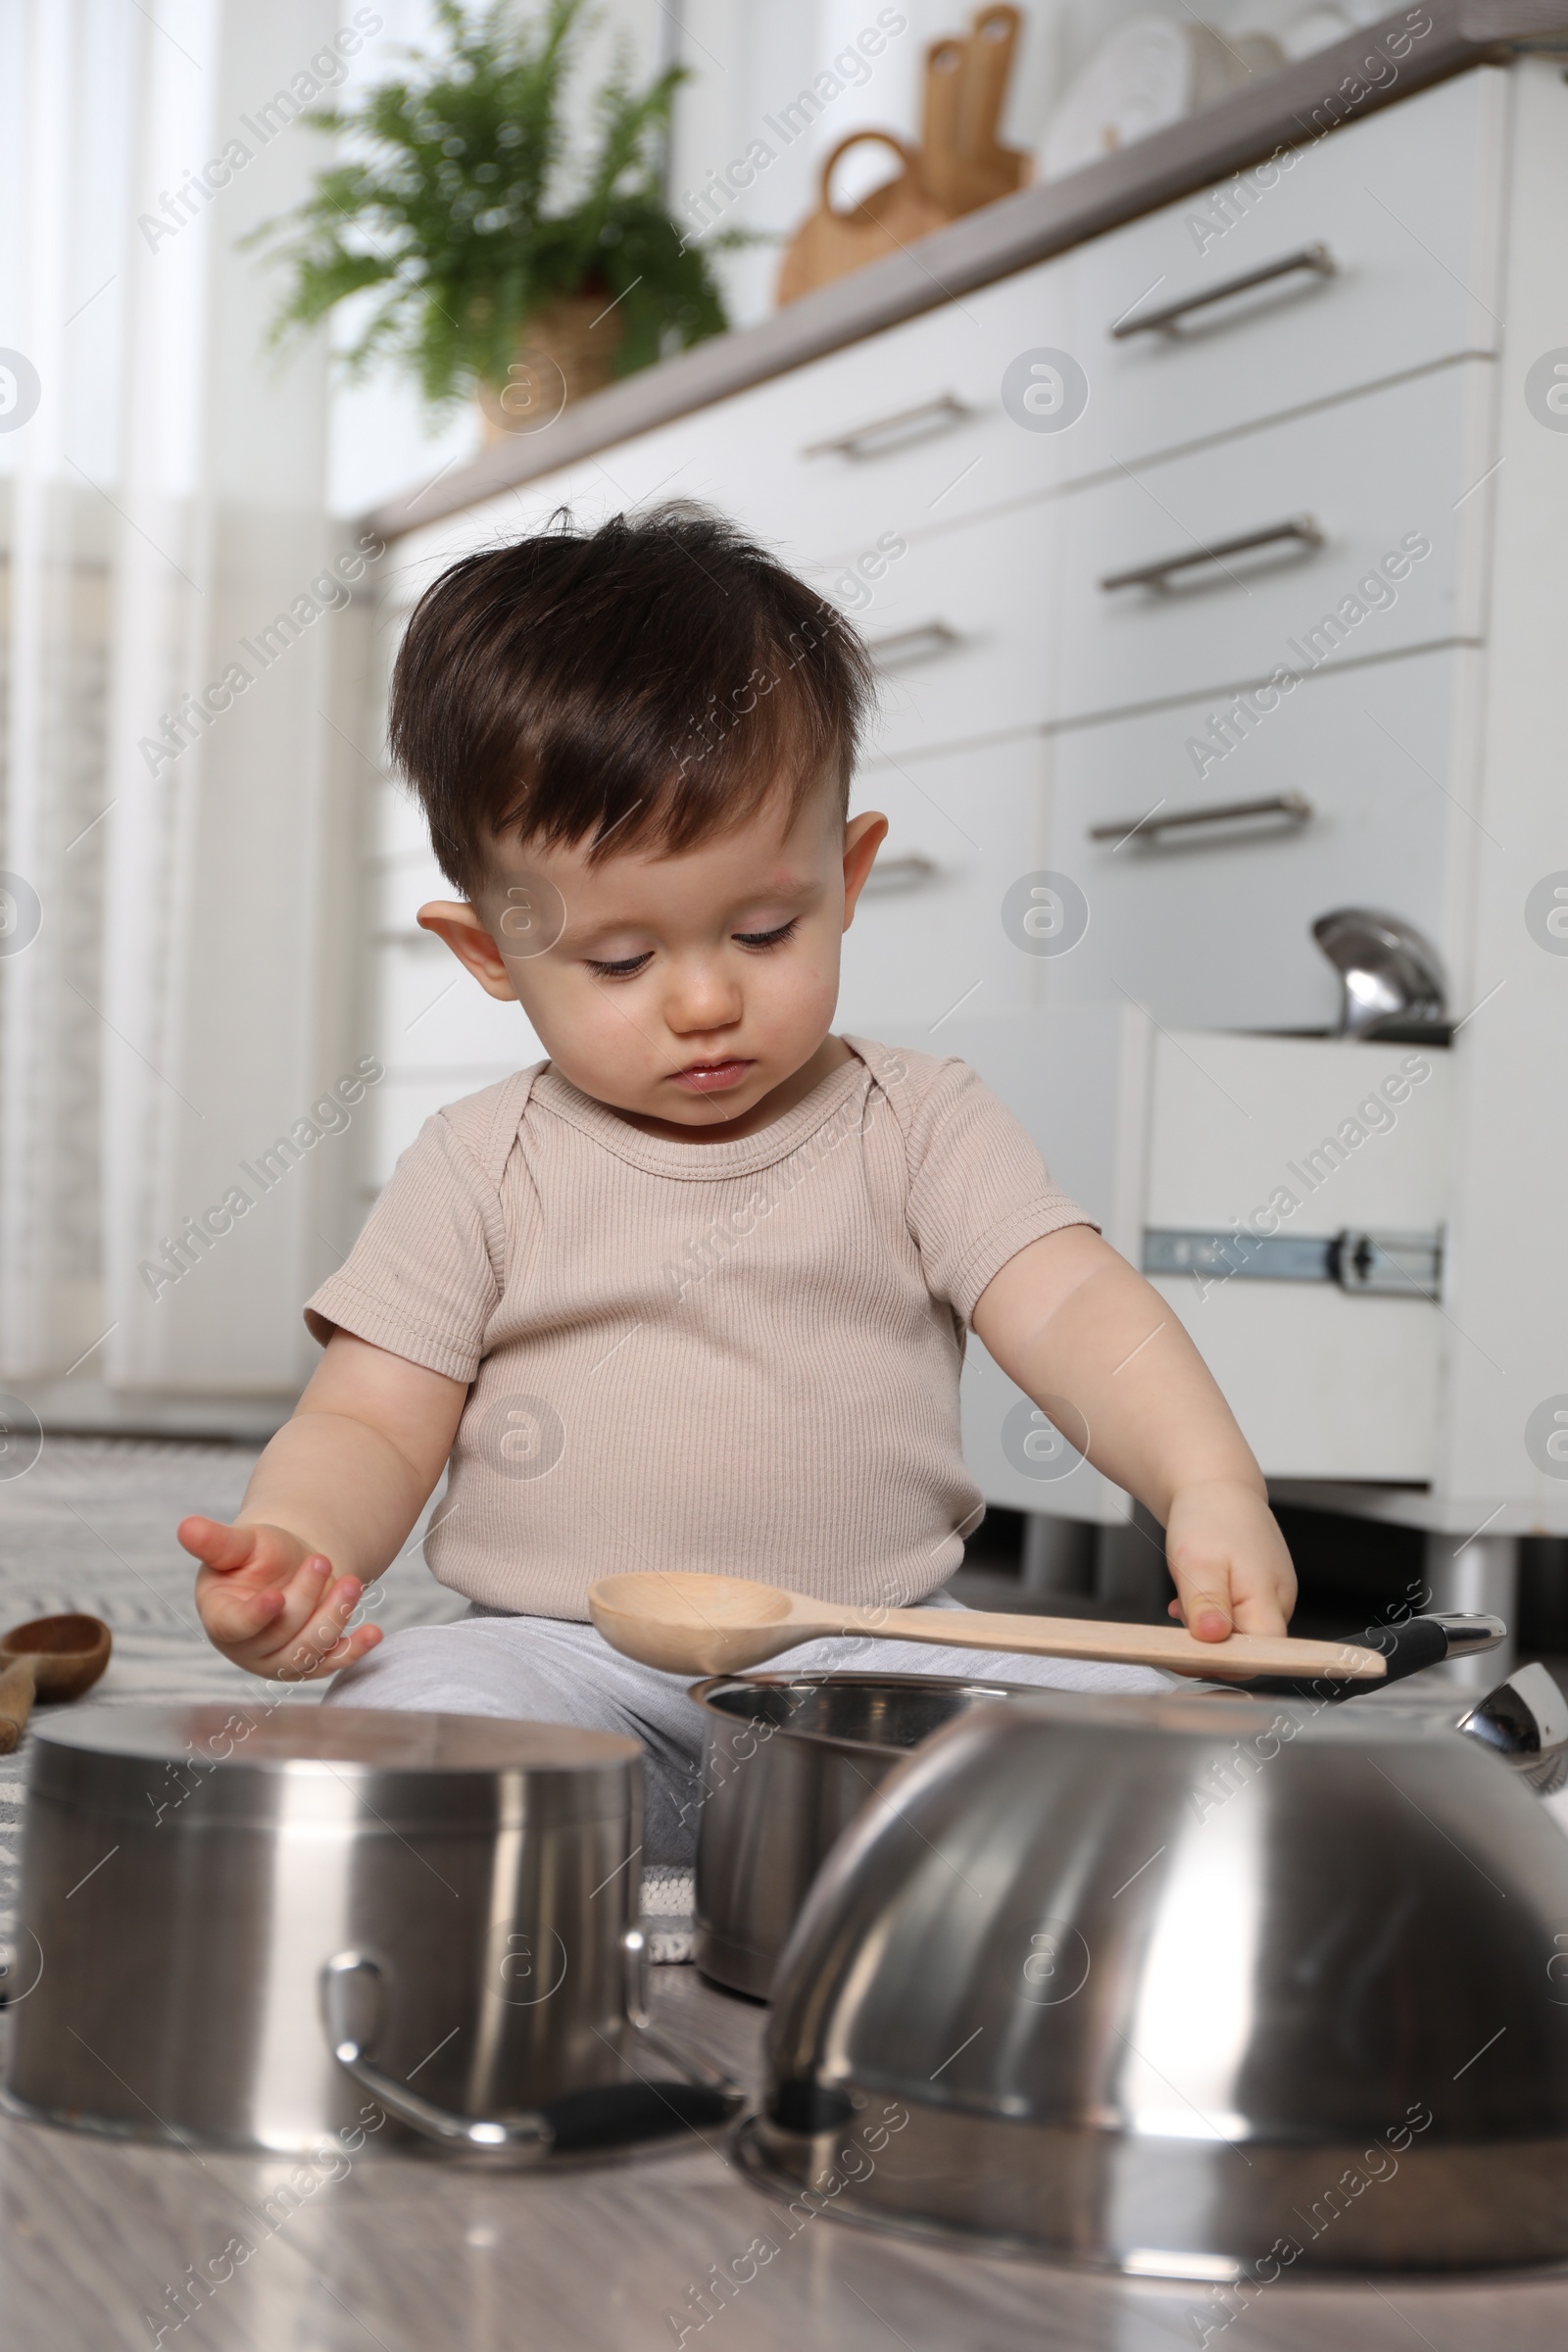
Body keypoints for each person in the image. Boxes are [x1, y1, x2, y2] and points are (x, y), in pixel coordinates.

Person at [179, 505, 1296, 1862]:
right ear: (487, 953)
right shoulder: (482, 1164)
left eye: (766, 929)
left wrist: (1208, 1485)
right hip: (564, 1666)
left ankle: (911, 1863)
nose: (706, 1000)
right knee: (401, 1725)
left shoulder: (918, 1122)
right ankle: (628, 1857)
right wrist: (297, 1549)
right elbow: (368, 1423)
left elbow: (1076, 1315)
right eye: (618, 964)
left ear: (848, 873)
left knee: (1178, 1741)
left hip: (889, 1668)